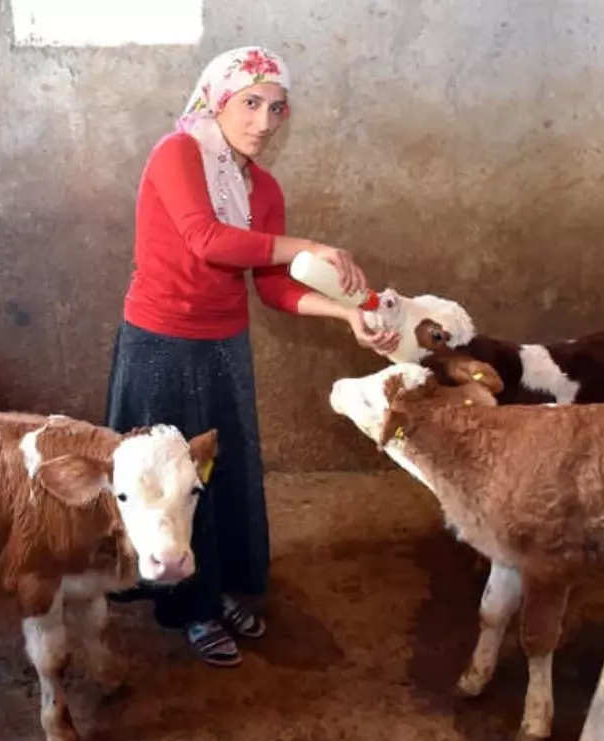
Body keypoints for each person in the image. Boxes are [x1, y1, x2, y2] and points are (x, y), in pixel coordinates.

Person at [104, 45, 399, 668]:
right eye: (251, 103)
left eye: (277, 108)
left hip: (224, 343)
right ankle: (188, 608)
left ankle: (218, 587)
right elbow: (206, 240)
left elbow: (273, 284)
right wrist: (311, 243)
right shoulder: (176, 153)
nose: (265, 121)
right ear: (217, 99)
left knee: (221, 471)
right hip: (160, 340)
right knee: (167, 478)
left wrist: (346, 314)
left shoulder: (261, 188)